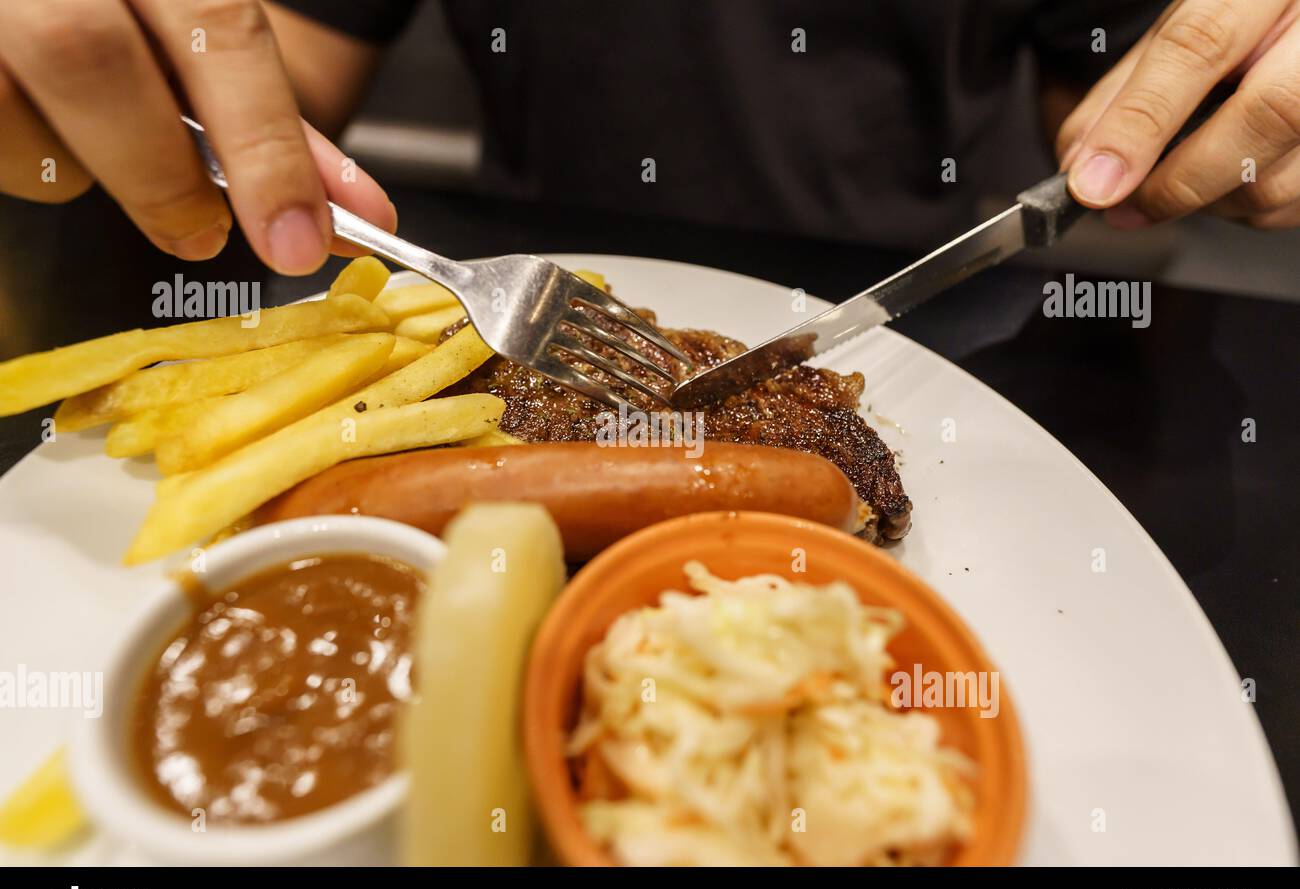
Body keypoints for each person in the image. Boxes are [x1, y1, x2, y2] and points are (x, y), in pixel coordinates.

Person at [1, 0, 1297, 278]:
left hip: (932, 325)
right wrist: (92, 58)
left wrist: (1249, 115)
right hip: (525, 314)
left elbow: (1150, 98)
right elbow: (289, 70)